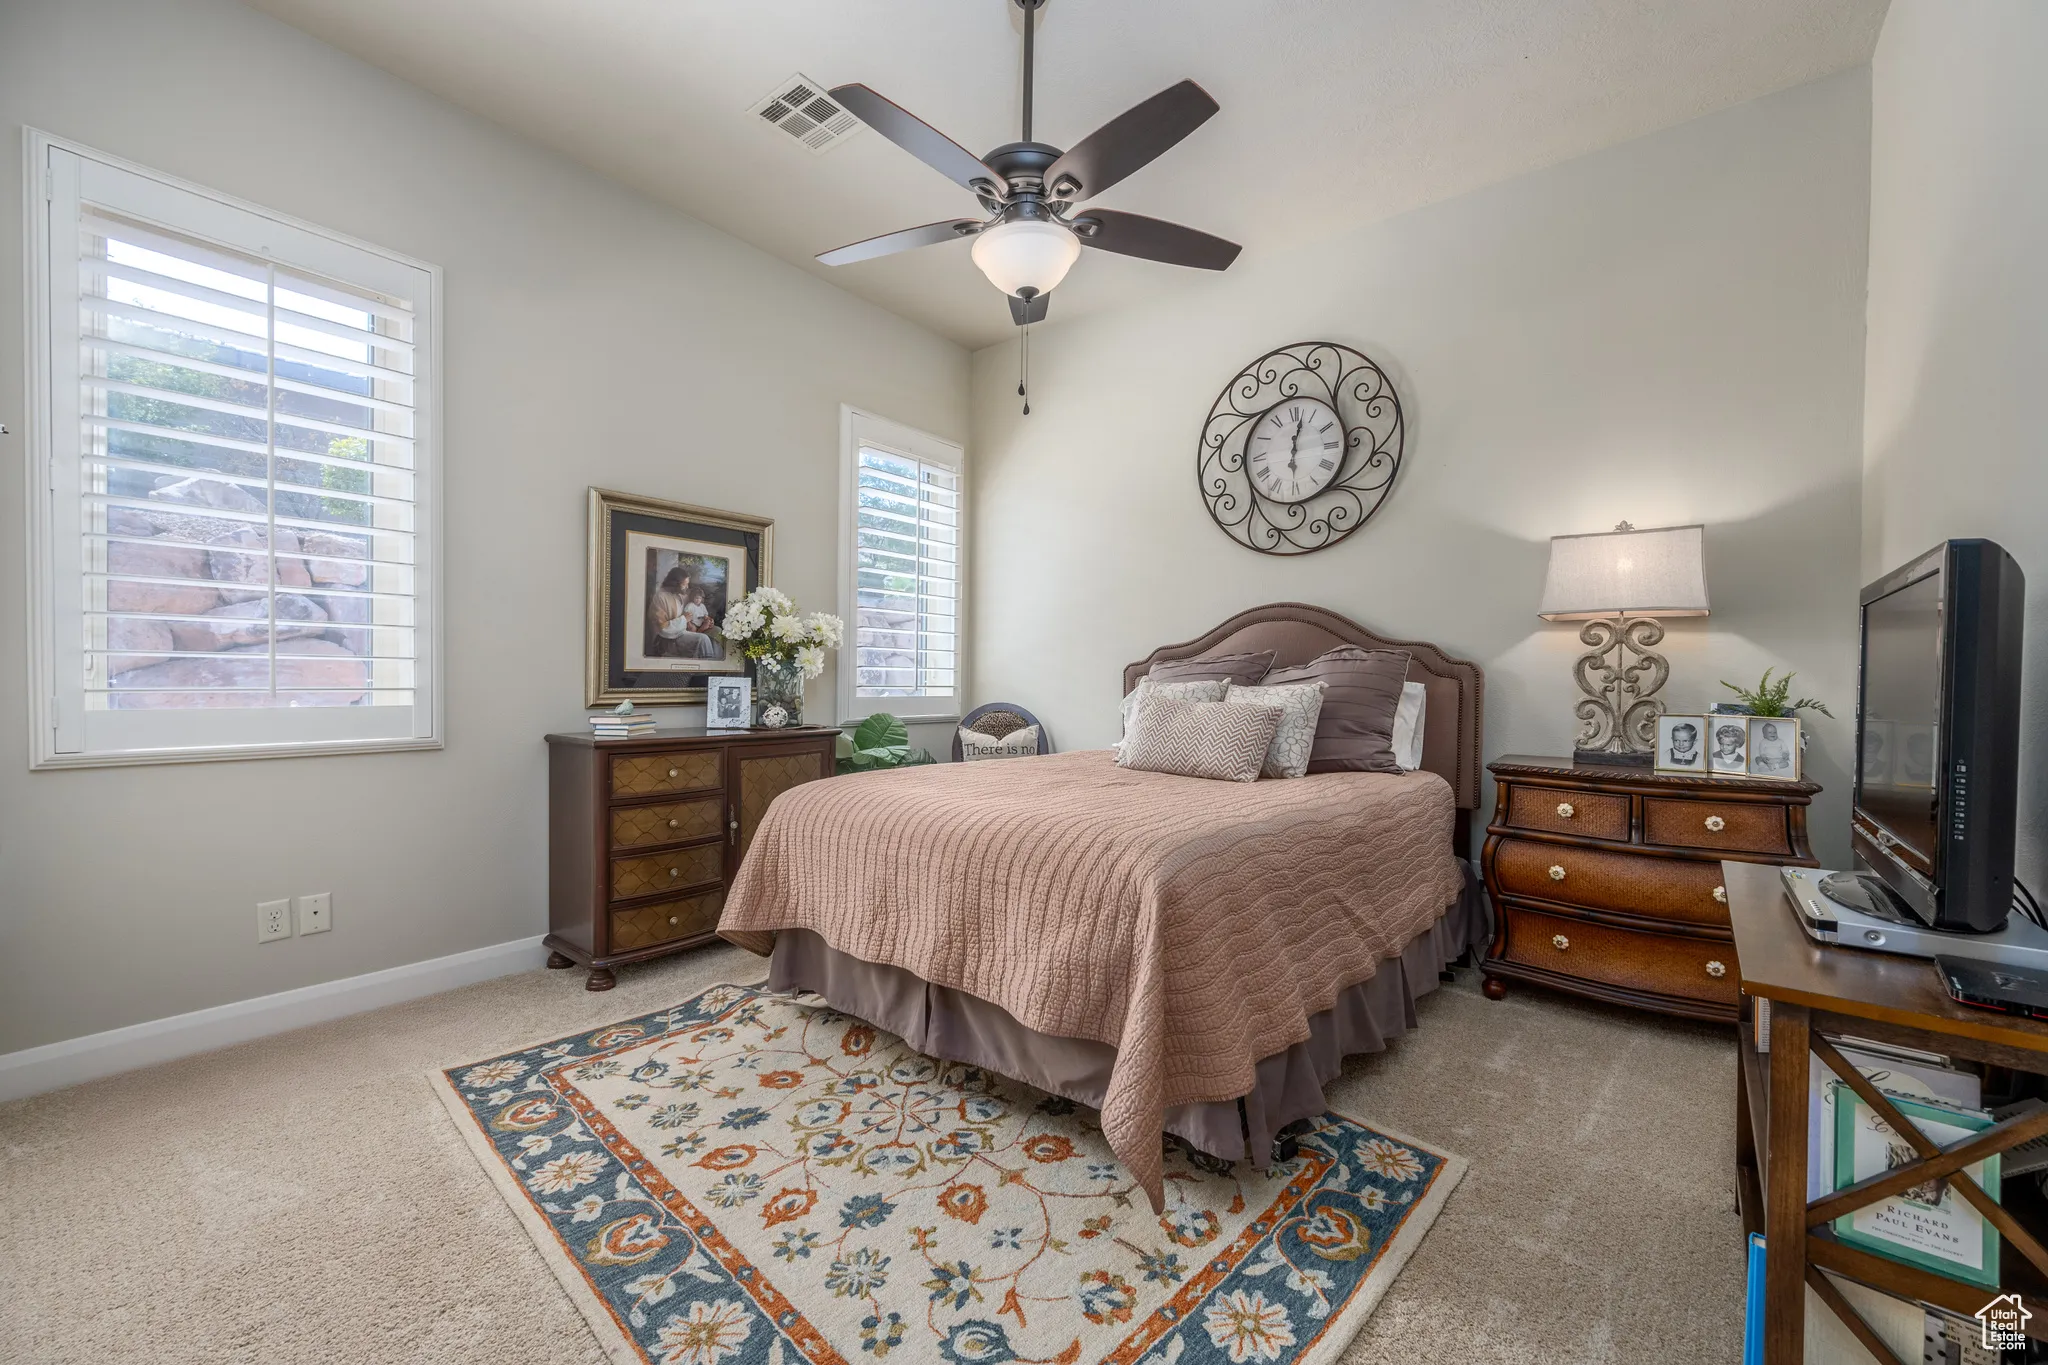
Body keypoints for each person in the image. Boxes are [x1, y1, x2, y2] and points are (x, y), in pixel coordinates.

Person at [647, 565, 717, 659]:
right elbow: (662, 628)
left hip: (685, 631)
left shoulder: (681, 595)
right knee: (703, 639)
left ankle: (717, 667)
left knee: (717, 631)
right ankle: (708, 669)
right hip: (669, 639)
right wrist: (684, 619)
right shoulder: (660, 597)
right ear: (675, 583)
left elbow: (695, 610)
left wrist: (707, 620)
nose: (687, 587)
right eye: (684, 584)